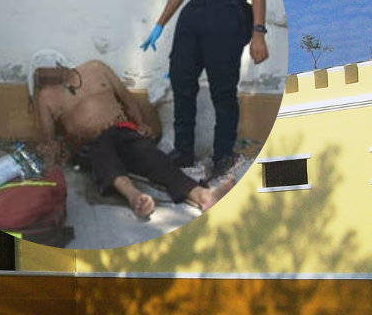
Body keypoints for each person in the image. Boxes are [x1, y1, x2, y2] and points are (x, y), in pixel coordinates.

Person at [141, 0, 268, 178]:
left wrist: (258, 32)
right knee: (183, 84)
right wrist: (160, 24)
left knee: (223, 92)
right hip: (192, 18)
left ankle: (223, 156)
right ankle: (183, 153)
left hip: (227, 18)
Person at [34, 60, 236, 218]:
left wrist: (141, 124)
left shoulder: (96, 68)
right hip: (90, 146)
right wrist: (52, 161)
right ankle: (135, 197)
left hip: (123, 130)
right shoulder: (45, 98)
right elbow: (47, 141)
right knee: (102, 147)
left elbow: (127, 98)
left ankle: (203, 195)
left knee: (150, 155)